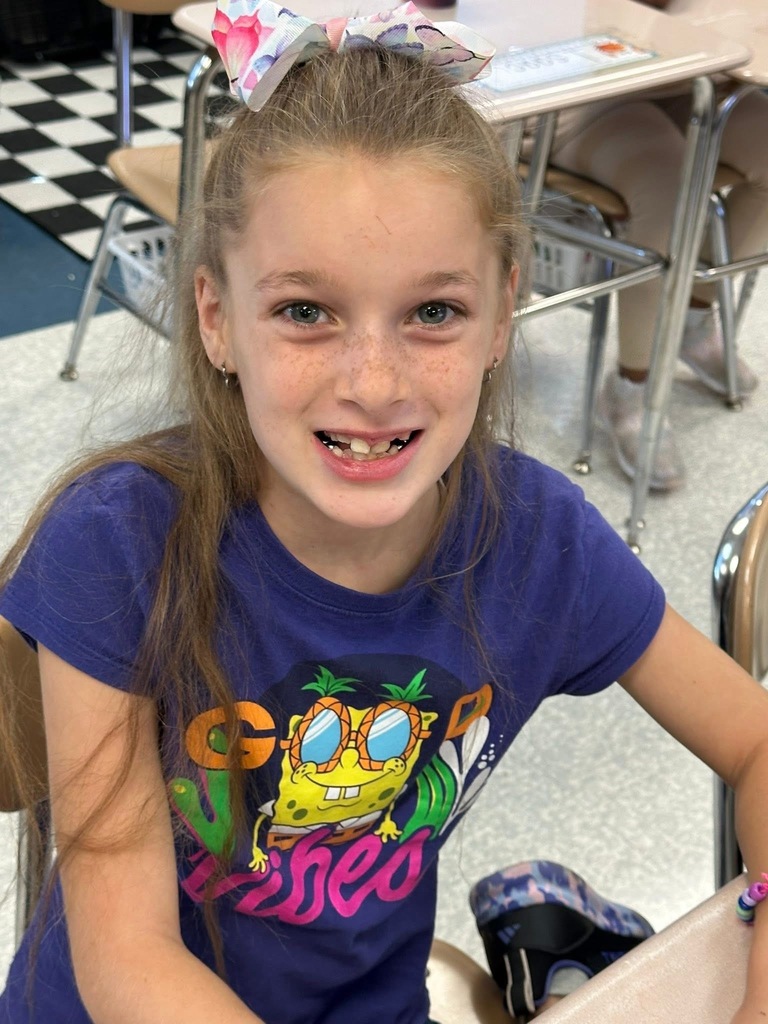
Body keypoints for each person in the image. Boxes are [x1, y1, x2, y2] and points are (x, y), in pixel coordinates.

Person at [0, 2, 767, 1023]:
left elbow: (756, 743)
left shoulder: (536, 539)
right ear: (218, 318)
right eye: (306, 312)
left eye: (434, 311)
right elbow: (128, 959)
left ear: (503, 311)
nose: (374, 381)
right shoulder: (120, 542)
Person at [550, 0, 768, 491]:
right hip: (587, 93)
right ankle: (632, 386)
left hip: (697, 71)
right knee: (670, 188)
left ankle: (692, 320)